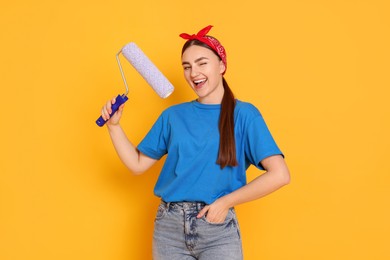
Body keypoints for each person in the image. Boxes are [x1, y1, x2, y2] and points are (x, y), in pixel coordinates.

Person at [100, 25, 290, 260]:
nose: (193, 73)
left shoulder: (244, 115)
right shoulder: (172, 116)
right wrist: (114, 126)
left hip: (217, 229)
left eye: (202, 63)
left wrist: (226, 202)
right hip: (169, 228)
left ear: (221, 65)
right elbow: (137, 164)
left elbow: (280, 174)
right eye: (187, 67)